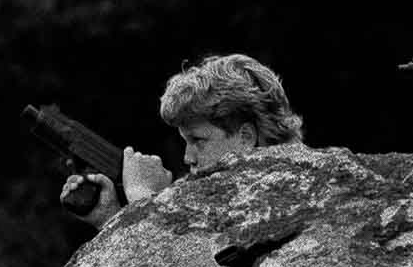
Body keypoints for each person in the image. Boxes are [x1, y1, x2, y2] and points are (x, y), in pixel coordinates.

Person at [62, 53, 304, 227]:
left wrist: (143, 198)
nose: (188, 157)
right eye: (185, 141)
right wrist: (110, 217)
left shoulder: (292, 200)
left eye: (198, 140)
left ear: (246, 137)